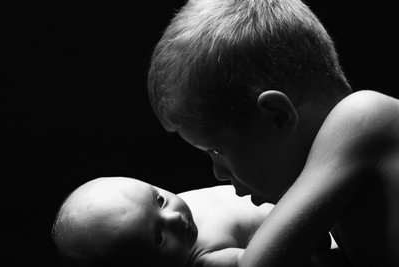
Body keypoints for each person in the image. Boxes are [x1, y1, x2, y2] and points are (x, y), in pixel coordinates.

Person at [147, 0, 399, 266]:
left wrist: (200, 257)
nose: (218, 173)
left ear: (277, 116)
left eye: (216, 150)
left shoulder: (363, 118)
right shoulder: (346, 194)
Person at [52, 177, 343, 267]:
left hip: (298, 196)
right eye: (158, 237)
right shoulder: (205, 259)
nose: (175, 218)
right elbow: (271, 259)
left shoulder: (175, 209)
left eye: (159, 200)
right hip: (319, 233)